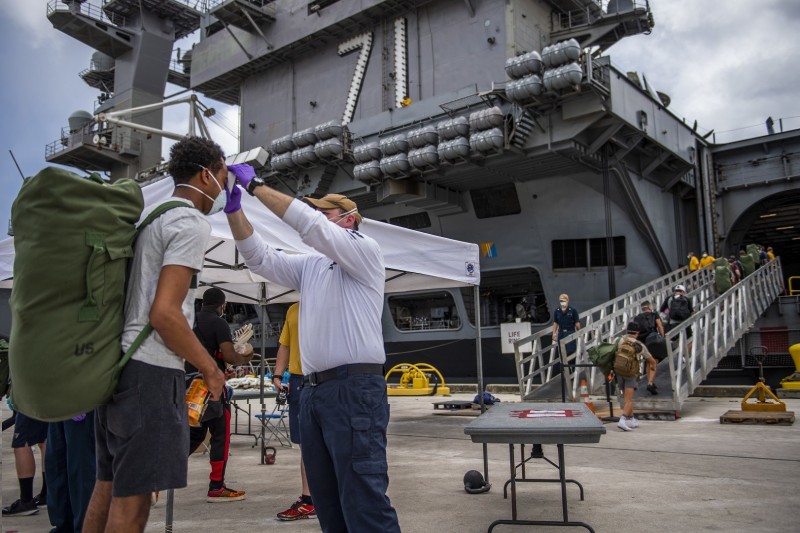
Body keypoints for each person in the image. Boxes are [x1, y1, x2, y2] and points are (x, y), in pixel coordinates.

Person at [224, 165, 401, 532]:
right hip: (314, 390)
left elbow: (311, 227)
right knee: (327, 500)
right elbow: (260, 258)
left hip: (353, 389)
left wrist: (255, 186)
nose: (318, 216)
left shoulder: (365, 250)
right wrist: (234, 212)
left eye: (326, 211)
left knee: (363, 498)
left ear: (350, 220)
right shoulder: (312, 265)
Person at [83, 136, 227, 533]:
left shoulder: (152, 217)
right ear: (205, 174)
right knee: (135, 503)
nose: (224, 187)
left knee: (107, 487)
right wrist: (209, 369)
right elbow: (165, 314)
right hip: (151, 372)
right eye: (223, 176)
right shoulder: (190, 221)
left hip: (119, 370)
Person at [188, 287, 254, 502]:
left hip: (189, 386)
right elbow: (230, 356)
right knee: (221, 434)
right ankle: (216, 486)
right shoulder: (219, 323)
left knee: (193, 436)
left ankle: (156, 480)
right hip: (212, 387)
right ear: (222, 305)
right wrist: (247, 356)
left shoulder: (190, 320)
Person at [273, 302, 316, 521]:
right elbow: (285, 346)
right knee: (305, 444)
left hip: (327, 377)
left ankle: (327, 498)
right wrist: (277, 376)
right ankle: (309, 500)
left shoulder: (332, 301)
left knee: (332, 442)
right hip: (299, 381)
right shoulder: (293, 309)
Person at [45, 412, 96, 532]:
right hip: (58, 405)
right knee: (56, 465)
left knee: (81, 470)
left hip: (81, 403)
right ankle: (63, 525)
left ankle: (85, 527)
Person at [2, 410, 47, 517]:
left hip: (29, 401)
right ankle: (47, 494)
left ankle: (26, 501)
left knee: (21, 441)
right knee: (44, 438)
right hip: (48, 400)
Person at [616, 322, 653, 431]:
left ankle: (632, 420)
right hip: (630, 374)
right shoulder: (639, 345)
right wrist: (653, 369)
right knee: (629, 400)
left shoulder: (618, 341)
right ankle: (622, 421)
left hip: (619, 372)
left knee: (626, 398)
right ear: (637, 333)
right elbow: (650, 360)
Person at [632, 301, 665, 395]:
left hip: (642, 342)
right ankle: (650, 383)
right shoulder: (654, 314)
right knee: (654, 362)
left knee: (648, 361)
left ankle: (650, 381)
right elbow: (660, 326)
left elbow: (635, 331)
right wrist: (662, 338)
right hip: (652, 341)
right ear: (650, 307)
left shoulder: (637, 317)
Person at [552, 293, 581, 361]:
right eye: (561, 301)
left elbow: (577, 322)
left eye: (564, 301)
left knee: (571, 351)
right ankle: (565, 370)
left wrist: (580, 331)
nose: (563, 302)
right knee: (562, 352)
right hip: (561, 333)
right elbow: (555, 322)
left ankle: (572, 368)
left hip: (570, 332)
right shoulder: (557, 311)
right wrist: (554, 333)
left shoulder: (573, 310)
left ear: (568, 300)